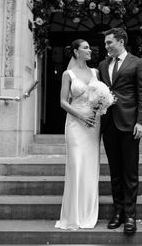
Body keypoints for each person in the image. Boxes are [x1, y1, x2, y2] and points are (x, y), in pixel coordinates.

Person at [99, 27, 142, 234]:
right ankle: (118, 212)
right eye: (105, 43)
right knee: (115, 172)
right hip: (109, 124)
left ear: (121, 41)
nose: (106, 46)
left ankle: (130, 215)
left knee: (130, 172)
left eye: (109, 42)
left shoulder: (138, 63)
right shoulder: (103, 65)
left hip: (130, 124)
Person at [55, 39, 100, 230]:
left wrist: (100, 106)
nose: (90, 50)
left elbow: (101, 95)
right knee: (76, 165)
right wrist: (80, 115)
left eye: (89, 48)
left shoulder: (96, 72)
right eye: (85, 48)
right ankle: (73, 215)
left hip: (93, 125)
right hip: (75, 123)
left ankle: (88, 212)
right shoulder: (68, 74)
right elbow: (63, 102)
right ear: (75, 52)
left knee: (90, 166)